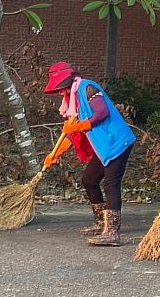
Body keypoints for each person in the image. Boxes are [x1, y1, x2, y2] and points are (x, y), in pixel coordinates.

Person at [42, 62, 136, 246]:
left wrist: (81, 126)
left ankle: (112, 233)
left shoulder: (87, 87)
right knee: (89, 180)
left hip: (117, 141)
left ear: (68, 80)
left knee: (111, 184)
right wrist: (56, 154)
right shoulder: (73, 100)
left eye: (61, 88)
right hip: (103, 147)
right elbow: (71, 133)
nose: (60, 93)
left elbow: (102, 112)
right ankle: (101, 223)